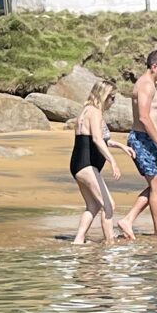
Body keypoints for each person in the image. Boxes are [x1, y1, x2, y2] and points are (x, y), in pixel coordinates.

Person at [122, 46, 157, 244]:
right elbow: (144, 117)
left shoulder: (149, 84)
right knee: (156, 186)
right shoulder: (146, 85)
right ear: (154, 66)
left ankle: (128, 220)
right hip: (143, 140)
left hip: (148, 140)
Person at [68, 78, 125, 246]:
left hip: (78, 164)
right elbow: (97, 140)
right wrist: (112, 161)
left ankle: (78, 241)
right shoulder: (95, 112)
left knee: (93, 206)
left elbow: (94, 139)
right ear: (104, 96)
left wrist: (122, 146)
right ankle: (110, 244)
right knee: (108, 205)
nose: (113, 102)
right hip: (86, 165)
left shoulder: (85, 110)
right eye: (112, 98)